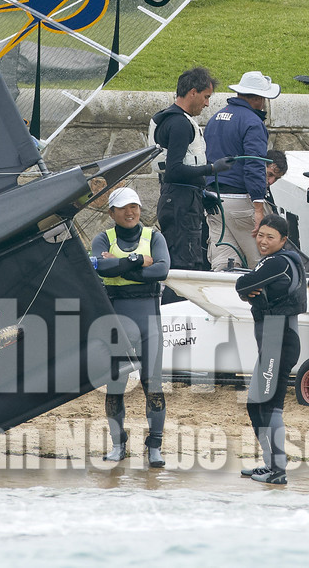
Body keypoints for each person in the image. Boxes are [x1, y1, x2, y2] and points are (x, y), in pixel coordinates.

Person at [89, 186, 172, 466]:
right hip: (115, 317)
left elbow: (161, 270)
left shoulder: (154, 236)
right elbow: (101, 267)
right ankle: (118, 444)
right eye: (123, 207)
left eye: (134, 206)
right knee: (115, 385)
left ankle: (155, 447)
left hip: (148, 316)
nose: (130, 212)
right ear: (111, 212)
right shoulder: (103, 237)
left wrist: (123, 265)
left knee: (153, 385)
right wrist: (138, 262)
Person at [235, 212, 306, 485]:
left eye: (270, 237)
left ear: (284, 240)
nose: (263, 241)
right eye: (261, 235)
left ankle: (278, 471)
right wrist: (249, 289)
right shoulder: (274, 263)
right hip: (271, 342)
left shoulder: (279, 262)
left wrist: (247, 288)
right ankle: (269, 463)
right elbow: (247, 288)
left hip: (280, 340)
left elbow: (242, 284)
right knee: (256, 404)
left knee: (270, 405)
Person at [148, 67, 225, 272]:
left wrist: (201, 193)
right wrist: (211, 169)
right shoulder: (180, 124)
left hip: (180, 199)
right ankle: (175, 305)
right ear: (193, 92)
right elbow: (174, 170)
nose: (207, 104)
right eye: (206, 97)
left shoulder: (172, 119)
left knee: (190, 262)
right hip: (180, 204)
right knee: (185, 266)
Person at [203, 70, 279, 270]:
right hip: (240, 201)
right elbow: (254, 165)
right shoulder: (253, 123)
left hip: (214, 201)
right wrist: (258, 208)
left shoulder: (216, 118)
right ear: (256, 98)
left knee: (224, 263)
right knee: (263, 262)